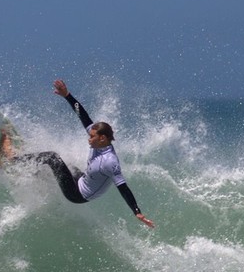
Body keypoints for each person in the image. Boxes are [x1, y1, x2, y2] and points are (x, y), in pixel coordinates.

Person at [18, 79, 155, 228]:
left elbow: (124, 189)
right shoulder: (99, 141)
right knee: (66, 164)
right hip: (82, 179)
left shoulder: (110, 161)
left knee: (52, 157)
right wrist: (67, 95)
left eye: (92, 136)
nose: (89, 138)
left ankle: (13, 161)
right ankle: (32, 172)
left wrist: (137, 211)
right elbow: (83, 115)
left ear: (102, 138)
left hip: (77, 194)